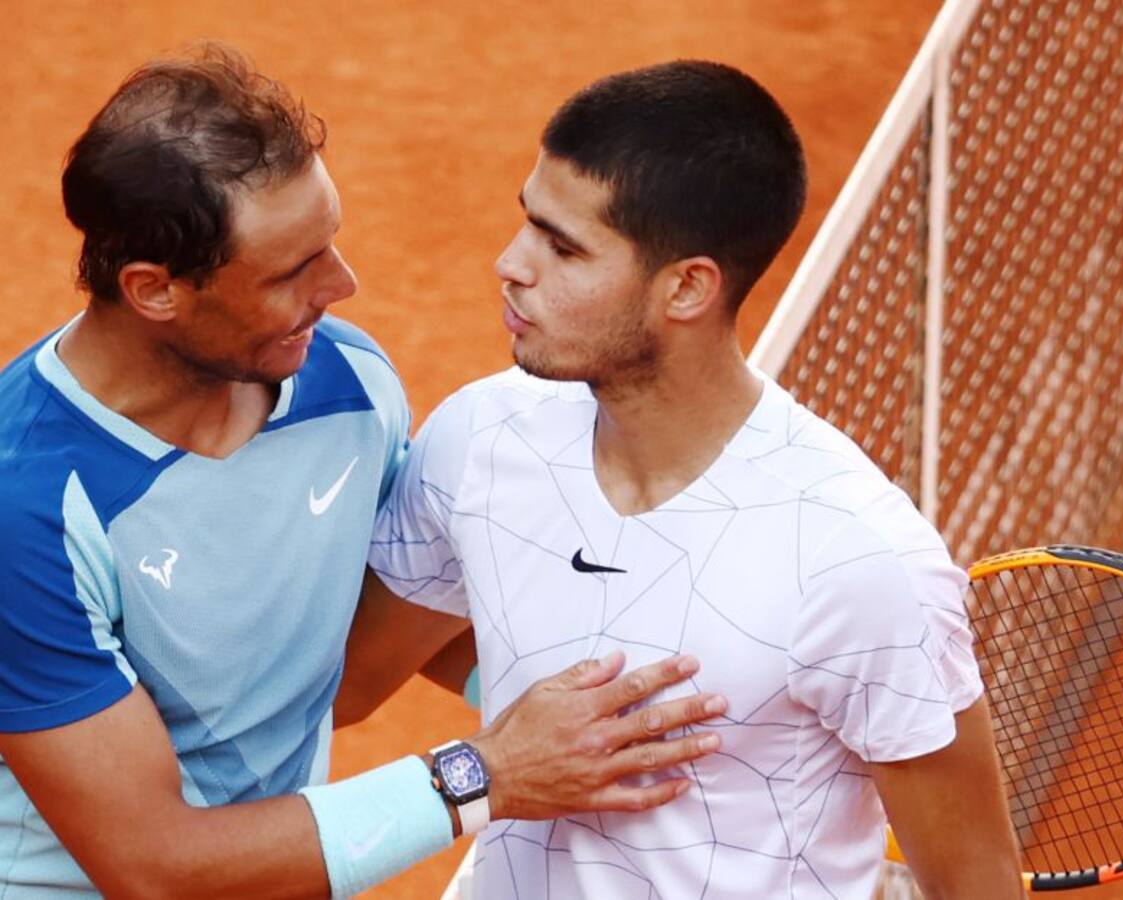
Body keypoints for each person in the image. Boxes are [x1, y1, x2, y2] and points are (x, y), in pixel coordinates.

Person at [0, 44, 726, 899]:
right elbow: (153, 865)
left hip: (279, 867)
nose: (342, 286)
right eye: (292, 271)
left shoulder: (342, 382)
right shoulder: (27, 509)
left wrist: (614, 726)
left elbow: (390, 618)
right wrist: (488, 772)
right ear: (155, 290)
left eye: (330, 246)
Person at [363, 60, 1024, 898]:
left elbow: (978, 884)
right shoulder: (483, 438)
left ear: (686, 288)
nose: (511, 263)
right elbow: (353, 681)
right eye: (529, 223)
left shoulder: (859, 563)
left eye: (564, 248)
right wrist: (541, 737)